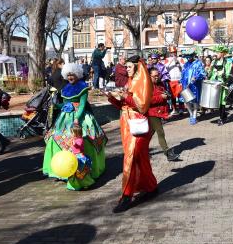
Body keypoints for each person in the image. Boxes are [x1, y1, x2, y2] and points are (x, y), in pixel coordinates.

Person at [105, 56, 158, 213]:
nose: (126, 69)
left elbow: (141, 106)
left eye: (128, 67)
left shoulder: (144, 82)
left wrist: (124, 96)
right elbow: (124, 104)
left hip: (138, 125)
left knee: (131, 159)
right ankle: (151, 187)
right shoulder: (130, 81)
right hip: (127, 124)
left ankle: (126, 196)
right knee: (140, 159)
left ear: (137, 67)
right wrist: (112, 98)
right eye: (126, 66)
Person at [43, 63, 107, 190]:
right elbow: (65, 104)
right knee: (54, 138)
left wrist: (77, 118)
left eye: (72, 74)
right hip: (65, 118)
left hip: (80, 116)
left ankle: (88, 170)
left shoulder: (82, 86)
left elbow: (82, 104)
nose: (70, 77)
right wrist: (57, 106)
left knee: (89, 138)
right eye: (68, 75)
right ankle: (59, 171)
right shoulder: (65, 88)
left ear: (77, 74)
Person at [148, 67, 179, 161]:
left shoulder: (160, 84)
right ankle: (168, 153)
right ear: (149, 76)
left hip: (159, 112)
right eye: (154, 76)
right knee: (160, 132)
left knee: (150, 134)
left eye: (158, 75)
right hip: (152, 112)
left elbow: (163, 94)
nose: (157, 77)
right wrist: (161, 97)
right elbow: (148, 101)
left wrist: (167, 95)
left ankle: (142, 150)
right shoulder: (147, 86)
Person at [207, 45, 232, 125]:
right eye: (216, 52)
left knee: (222, 102)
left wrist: (224, 78)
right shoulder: (214, 62)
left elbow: (228, 73)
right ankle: (223, 115)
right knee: (217, 102)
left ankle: (222, 118)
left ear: (222, 53)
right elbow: (210, 74)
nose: (216, 54)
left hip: (222, 84)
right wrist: (209, 71)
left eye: (217, 52)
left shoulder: (227, 62)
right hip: (215, 84)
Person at [180, 49, 206, 125]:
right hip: (186, 85)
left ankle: (194, 116)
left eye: (189, 57)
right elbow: (183, 73)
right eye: (187, 57)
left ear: (193, 56)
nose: (188, 59)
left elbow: (202, 73)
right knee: (187, 101)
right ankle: (191, 114)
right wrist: (181, 81)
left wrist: (196, 77)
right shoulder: (186, 64)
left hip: (195, 85)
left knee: (195, 101)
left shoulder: (198, 63)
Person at [165, 45, 185, 115]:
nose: (173, 53)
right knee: (172, 96)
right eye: (172, 52)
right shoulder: (167, 59)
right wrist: (172, 60)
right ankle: (174, 109)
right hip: (171, 80)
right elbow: (165, 67)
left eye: (174, 52)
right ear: (170, 53)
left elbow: (183, 67)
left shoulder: (180, 58)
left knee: (180, 95)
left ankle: (181, 109)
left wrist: (177, 61)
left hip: (179, 79)